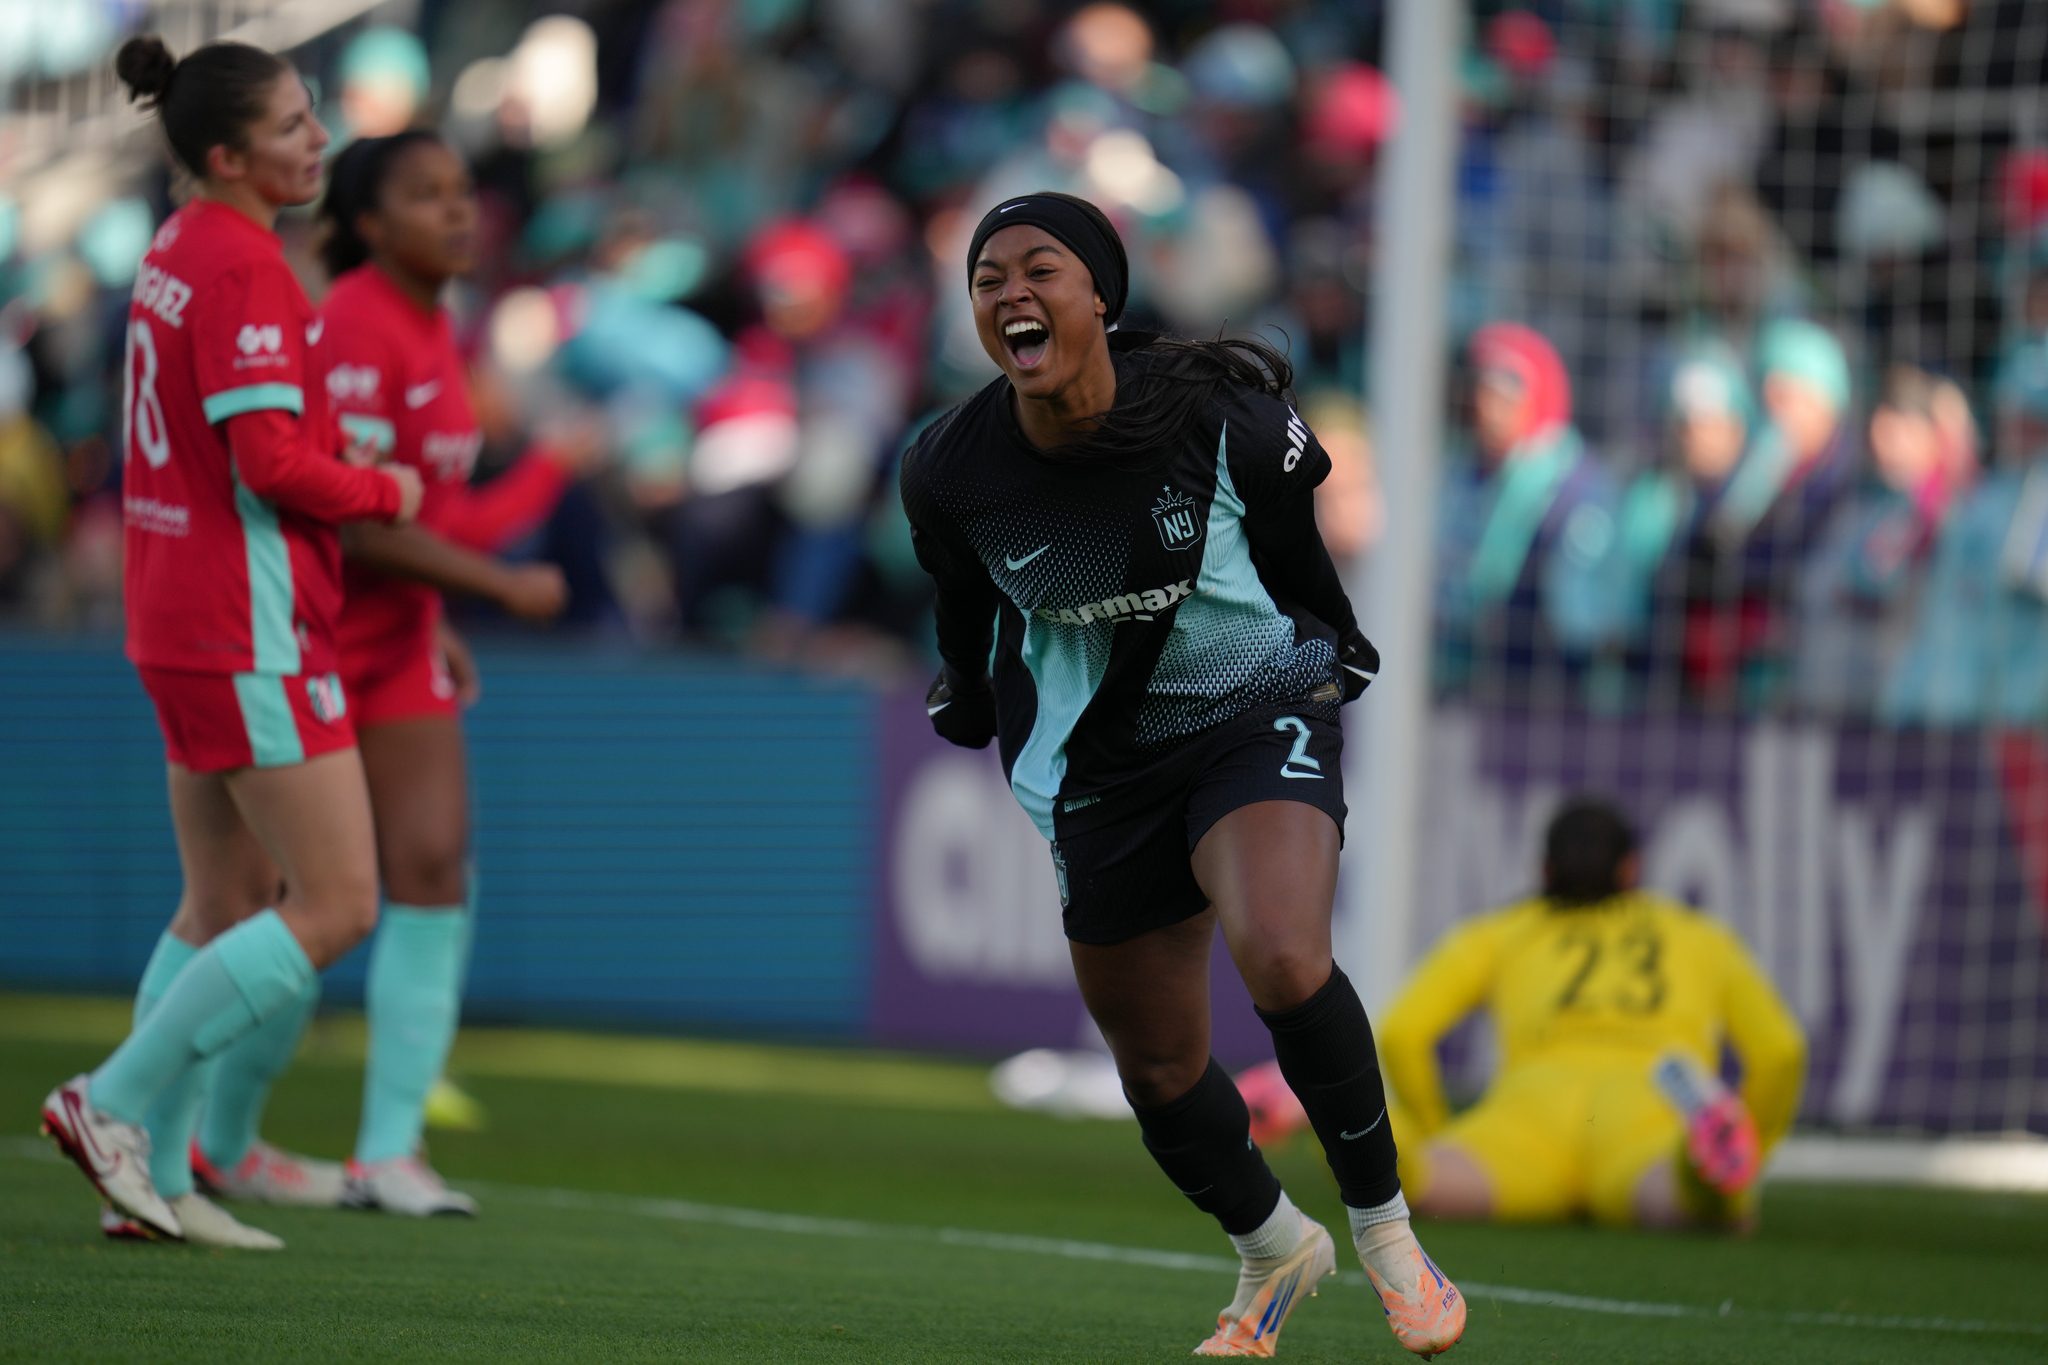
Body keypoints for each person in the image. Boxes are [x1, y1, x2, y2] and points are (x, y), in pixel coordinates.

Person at [900, 190, 1464, 1360]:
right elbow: (963, 611)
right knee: (1156, 1068)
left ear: (1098, 294)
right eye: (987, 277)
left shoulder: (1222, 419)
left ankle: (1386, 1231)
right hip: (1098, 768)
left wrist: (1330, 646)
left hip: (1247, 709)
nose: (1010, 292)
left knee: (1282, 955)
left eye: (1037, 269)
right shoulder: (950, 467)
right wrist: (959, 686)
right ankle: (1271, 1246)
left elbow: (1294, 554)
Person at [39, 35, 422, 1248]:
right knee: (339, 901)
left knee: (224, 898)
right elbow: (267, 464)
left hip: (177, 606)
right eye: (296, 127)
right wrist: (383, 492)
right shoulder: (246, 267)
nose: (319, 140)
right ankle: (110, 1106)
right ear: (227, 155)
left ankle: (144, 1175)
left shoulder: (177, 244)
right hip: (241, 617)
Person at [179, 130, 589, 1218]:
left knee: (432, 867)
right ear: (366, 223)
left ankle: (387, 1152)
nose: (458, 214)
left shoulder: (435, 323)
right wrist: (497, 591)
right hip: (310, 633)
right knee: (296, 898)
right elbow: (352, 521)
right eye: (424, 197)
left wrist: (442, 604)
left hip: (399, 641)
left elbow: (422, 511)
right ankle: (207, 1137)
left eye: (462, 194)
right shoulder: (355, 322)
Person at [1375, 797, 1805, 1230]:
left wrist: (1434, 1130)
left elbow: (1402, 1033)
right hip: (1649, 1101)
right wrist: (1755, 1150)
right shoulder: (1700, 936)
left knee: (1431, 1180)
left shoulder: (1499, 932)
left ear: (1544, 869)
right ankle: (1703, 1172)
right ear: (1631, 868)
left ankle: (1370, 1137)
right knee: (1662, 1187)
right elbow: (1780, 1051)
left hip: (1534, 1106)